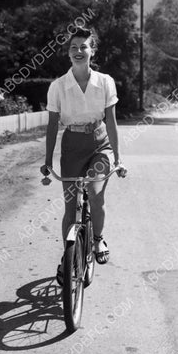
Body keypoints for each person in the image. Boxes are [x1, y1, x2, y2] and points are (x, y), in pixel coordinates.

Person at [40, 27, 127, 285]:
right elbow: (53, 126)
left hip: (100, 144)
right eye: (73, 47)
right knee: (70, 207)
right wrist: (47, 162)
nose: (79, 51)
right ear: (68, 53)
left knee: (95, 193)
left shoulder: (105, 82)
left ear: (92, 51)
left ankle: (98, 240)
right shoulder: (58, 87)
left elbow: (111, 122)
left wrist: (119, 158)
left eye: (84, 47)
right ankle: (67, 257)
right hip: (72, 147)